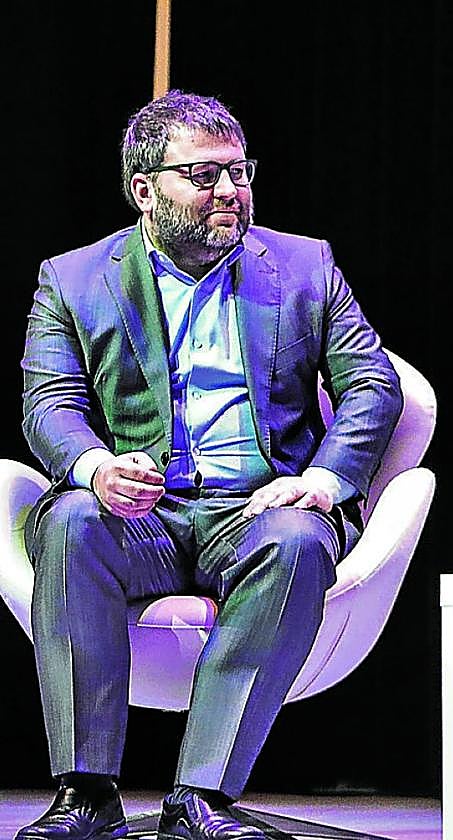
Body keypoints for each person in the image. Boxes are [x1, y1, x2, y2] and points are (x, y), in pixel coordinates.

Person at [17, 91, 403, 840]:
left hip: (258, 509)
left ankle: (201, 798)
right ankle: (87, 793)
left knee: (297, 541)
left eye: (239, 172)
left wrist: (321, 481)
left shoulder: (303, 265)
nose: (230, 192)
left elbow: (373, 384)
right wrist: (96, 466)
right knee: (69, 521)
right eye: (203, 176)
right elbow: (50, 403)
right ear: (144, 190)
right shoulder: (74, 279)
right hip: (143, 514)